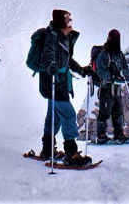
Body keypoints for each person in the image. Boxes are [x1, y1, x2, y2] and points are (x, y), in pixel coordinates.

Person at [39, 9, 93, 166]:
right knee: (68, 115)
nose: (71, 23)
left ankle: (47, 150)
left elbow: (68, 60)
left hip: (59, 82)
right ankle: (71, 154)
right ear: (61, 22)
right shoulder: (52, 37)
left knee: (54, 117)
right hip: (54, 83)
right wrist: (51, 65)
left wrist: (82, 70)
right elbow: (47, 55)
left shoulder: (64, 38)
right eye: (68, 20)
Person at [94, 29, 129, 144]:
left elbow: (125, 66)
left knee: (118, 111)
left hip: (117, 88)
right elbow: (100, 71)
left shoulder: (119, 54)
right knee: (105, 111)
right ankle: (101, 134)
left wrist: (124, 75)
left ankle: (119, 134)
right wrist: (113, 76)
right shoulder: (104, 54)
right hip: (106, 88)